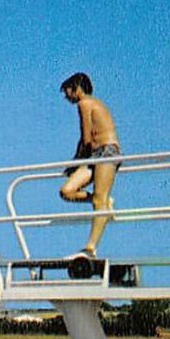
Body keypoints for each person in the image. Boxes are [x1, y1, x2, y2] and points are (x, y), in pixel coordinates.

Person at [58, 73, 120, 260]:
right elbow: (86, 141)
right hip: (95, 155)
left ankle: (90, 248)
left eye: (67, 92)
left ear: (76, 88)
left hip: (106, 152)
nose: (66, 96)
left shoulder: (85, 103)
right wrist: (76, 163)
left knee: (99, 199)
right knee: (67, 191)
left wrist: (76, 161)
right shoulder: (92, 103)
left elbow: (85, 138)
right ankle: (105, 204)